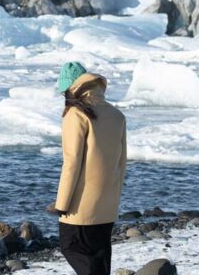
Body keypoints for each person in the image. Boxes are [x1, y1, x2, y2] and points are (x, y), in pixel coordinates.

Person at [46, 62, 127, 275]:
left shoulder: (76, 114)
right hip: (107, 202)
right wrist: (114, 199)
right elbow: (122, 162)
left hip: (81, 205)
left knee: (71, 248)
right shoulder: (116, 115)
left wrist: (61, 204)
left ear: (72, 87)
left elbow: (72, 162)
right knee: (100, 256)